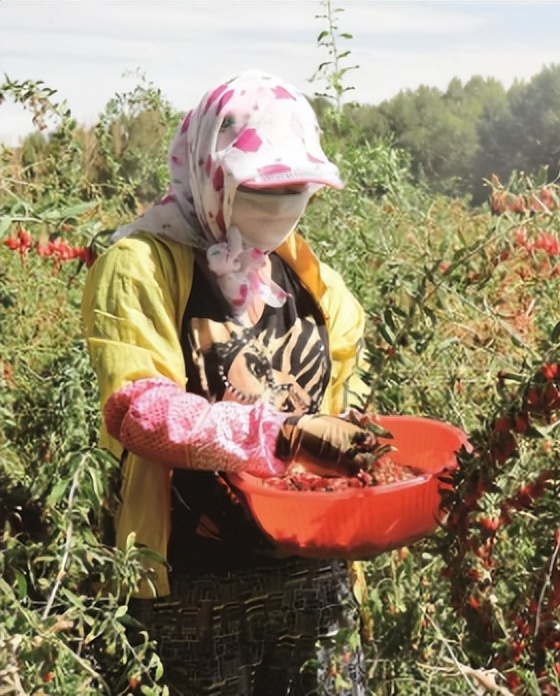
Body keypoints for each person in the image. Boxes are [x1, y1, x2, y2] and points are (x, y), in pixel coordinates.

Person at [82, 70, 373, 695]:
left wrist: (368, 474)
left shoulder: (313, 282)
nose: (282, 206)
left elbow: (344, 404)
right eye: (263, 187)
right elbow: (141, 412)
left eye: (298, 188)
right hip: (192, 589)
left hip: (311, 579)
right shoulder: (141, 266)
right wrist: (287, 436)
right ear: (212, 175)